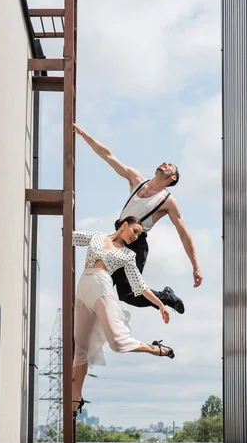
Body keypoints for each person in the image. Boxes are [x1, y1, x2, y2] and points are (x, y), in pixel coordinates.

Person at [74, 123, 203, 315]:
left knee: (128, 295)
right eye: (164, 162)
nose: (165, 163)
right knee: (102, 283)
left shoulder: (168, 201)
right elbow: (107, 155)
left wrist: (195, 266)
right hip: (118, 236)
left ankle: (166, 297)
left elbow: (183, 234)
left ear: (173, 178)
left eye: (170, 165)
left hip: (136, 243)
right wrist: (82, 133)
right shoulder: (136, 179)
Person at [71, 216, 175, 417]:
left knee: (118, 344)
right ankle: (76, 398)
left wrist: (161, 304)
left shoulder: (127, 255)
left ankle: (155, 349)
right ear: (124, 225)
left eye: (138, 234)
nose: (135, 237)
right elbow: (69, 237)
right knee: (80, 348)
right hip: (83, 290)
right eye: (135, 231)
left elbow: (139, 286)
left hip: (102, 290)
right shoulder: (97, 236)